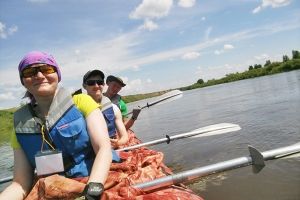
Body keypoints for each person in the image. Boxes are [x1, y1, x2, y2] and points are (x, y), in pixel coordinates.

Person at [0, 51, 112, 200]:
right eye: (29, 72)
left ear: (57, 74)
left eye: (46, 69)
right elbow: (20, 183)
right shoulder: (20, 124)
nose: (39, 76)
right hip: (51, 189)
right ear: (23, 81)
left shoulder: (81, 102)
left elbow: (103, 148)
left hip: (92, 179)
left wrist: (93, 189)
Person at [82, 69, 129, 149]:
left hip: (112, 149)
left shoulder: (114, 108)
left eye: (99, 82)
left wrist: (118, 143)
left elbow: (124, 137)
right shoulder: (77, 109)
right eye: (91, 83)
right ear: (84, 86)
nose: (96, 85)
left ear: (103, 84)